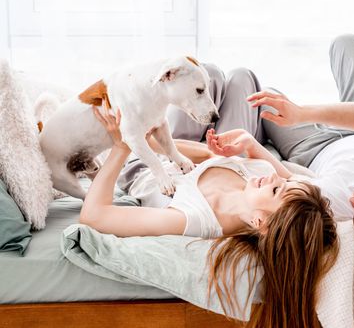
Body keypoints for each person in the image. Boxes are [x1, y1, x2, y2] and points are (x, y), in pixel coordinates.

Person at [164, 34, 354, 261]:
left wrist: (255, 145)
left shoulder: (348, 213)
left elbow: (292, 183)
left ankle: (174, 142)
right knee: (347, 43)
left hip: (313, 148)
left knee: (262, 94)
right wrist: (302, 113)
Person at [79, 101, 339, 328]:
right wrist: (151, 142)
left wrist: (124, 145)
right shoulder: (257, 173)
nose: (273, 175)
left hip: (137, 165)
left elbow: (93, 216)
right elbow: (206, 153)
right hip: (167, 150)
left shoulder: (191, 218)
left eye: (275, 189)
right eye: (282, 183)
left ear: (261, 222)